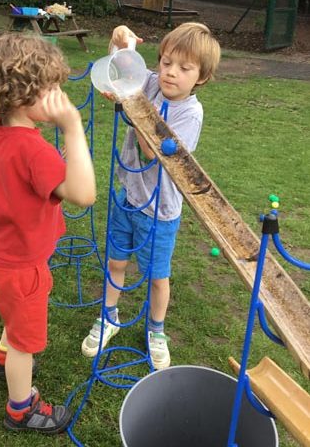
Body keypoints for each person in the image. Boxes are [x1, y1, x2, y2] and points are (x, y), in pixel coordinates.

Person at [0, 33, 96, 434]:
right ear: (22, 96)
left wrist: (11, 198)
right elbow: (84, 195)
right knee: (27, 341)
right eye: (51, 88)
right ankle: (21, 408)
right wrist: (73, 128)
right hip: (24, 264)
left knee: (13, 311)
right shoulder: (35, 151)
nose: (59, 96)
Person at [81, 23, 220, 369]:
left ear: (201, 77)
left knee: (158, 277)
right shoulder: (152, 84)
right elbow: (118, 70)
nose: (171, 73)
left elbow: (151, 152)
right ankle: (109, 316)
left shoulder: (191, 113)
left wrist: (132, 105)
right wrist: (119, 41)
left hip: (160, 211)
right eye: (166, 62)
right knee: (116, 262)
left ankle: (156, 330)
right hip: (127, 197)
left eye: (184, 68)